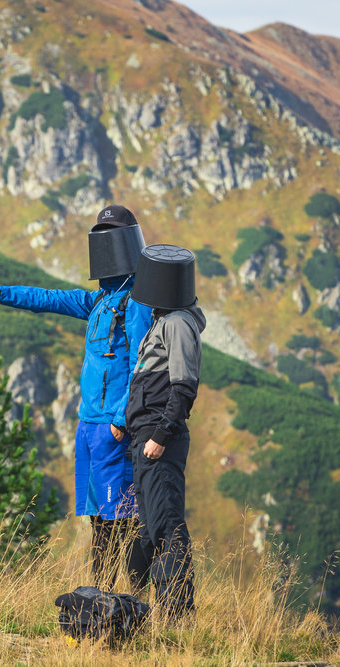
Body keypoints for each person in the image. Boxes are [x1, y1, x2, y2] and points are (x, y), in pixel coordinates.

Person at [0, 204, 150, 582]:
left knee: (123, 521)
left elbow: (140, 365)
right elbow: (45, 299)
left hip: (113, 430)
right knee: (99, 520)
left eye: (110, 232)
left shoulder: (137, 303)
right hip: (88, 427)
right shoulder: (98, 301)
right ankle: (101, 599)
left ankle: (129, 602)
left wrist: (120, 420)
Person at [125, 244, 206, 620]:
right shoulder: (165, 320)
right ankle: (142, 610)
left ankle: (177, 615)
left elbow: (183, 386)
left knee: (166, 525)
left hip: (159, 439)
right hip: (146, 437)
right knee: (150, 528)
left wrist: (160, 435)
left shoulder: (176, 323)